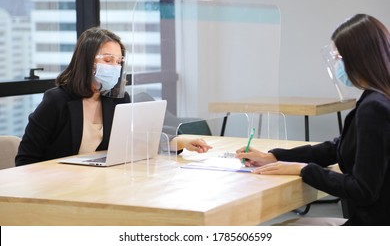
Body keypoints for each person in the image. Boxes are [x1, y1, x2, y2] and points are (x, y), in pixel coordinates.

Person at [236, 14, 390, 226]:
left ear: (358, 58)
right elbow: (337, 147)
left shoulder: (374, 108)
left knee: (280, 230)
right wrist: (274, 156)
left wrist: (303, 169)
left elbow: (363, 190)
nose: (337, 66)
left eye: (338, 59)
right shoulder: (379, 98)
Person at [16, 27, 212, 166]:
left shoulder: (117, 99)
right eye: (108, 60)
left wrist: (181, 142)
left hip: (100, 182)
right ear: (86, 61)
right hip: (58, 186)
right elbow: (26, 158)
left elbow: (139, 141)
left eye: (119, 61)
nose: (115, 67)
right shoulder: (56, 101)